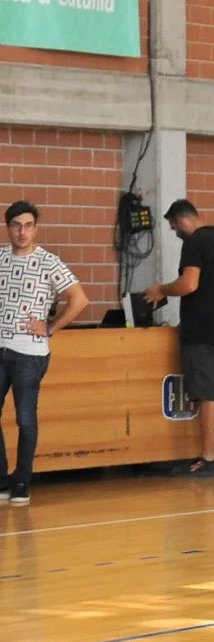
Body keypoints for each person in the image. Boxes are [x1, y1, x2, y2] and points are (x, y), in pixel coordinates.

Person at [145, 199, 214, 478]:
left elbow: (189, 284)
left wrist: (162, 290)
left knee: (208, 396)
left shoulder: (194, 243)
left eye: (173, 226)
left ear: (181, 220)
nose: (175, 232)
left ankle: (208, 459)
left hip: (204, 333)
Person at [0, 200, 89, 506]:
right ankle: (2, 479)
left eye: (28, 226)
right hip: (1, 346)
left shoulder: (49, 262)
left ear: (35, 229)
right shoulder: (1, 257)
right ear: (8, 228)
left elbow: (79, 299)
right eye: (16, 225)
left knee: (25, 418)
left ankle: (22, 481)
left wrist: (51, 326)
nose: (22, 232)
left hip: (30, 352)